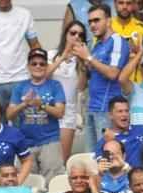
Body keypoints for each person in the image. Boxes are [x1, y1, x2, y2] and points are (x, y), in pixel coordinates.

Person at [76, 5, 129, 152]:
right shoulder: (97, 45)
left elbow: (113, 73)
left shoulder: (117, 41)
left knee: (106, 156)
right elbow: (82, 84)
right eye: (90, 22)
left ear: (108, 21)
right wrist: (82, 62)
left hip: (108, 110)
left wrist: (88, 57)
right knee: (91, 159)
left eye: (97, 20)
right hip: (92, 107)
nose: (92, 25)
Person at [7, 47, 66, 179]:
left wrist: (42, 105)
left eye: (42, 63)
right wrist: (24, 104)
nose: (38, 66)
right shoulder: (20, 87)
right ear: (28, 66)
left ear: (46, 66)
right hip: (25, 142)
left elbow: (60, 112)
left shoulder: (55, 85)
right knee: (26, 184)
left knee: (53, 182)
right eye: (34, 63)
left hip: (50, 141)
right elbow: (9, 115)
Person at [48, 21, 87, 162]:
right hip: (47, 109)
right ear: (65, 35)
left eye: (80, 34)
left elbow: (81, 87)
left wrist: (83, 61)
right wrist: (63, 56)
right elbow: (43, 76)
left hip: (68, 111)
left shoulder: (81, 60)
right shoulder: (51, 55)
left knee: (62, 159)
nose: (76, 36)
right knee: (46, 156)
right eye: (73, 33)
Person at [94, 96, 143, 168]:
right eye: (120, 111)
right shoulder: (103, 142)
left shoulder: (141, 129)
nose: (124, 114)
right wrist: (112, 143)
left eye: (126, 111)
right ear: (110, 115)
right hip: (126, 177)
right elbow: (106, 171)